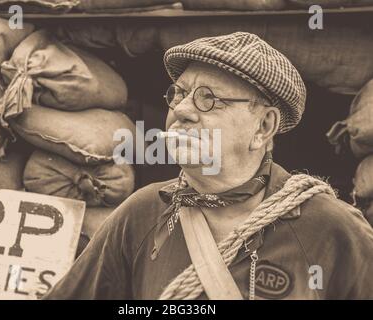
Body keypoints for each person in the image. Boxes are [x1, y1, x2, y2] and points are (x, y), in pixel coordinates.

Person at [44, 32, 373, 300]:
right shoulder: (142, 214)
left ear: (263, 128)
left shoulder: (331, 229)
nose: (182, 110)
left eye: (208, 98)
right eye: (179, 93)